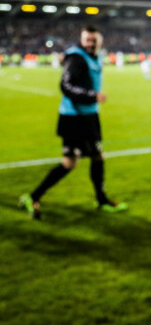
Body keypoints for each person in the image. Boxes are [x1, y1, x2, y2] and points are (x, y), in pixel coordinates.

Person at [19, 26, 127, 219]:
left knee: (97, 156)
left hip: (89, 116)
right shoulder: (76, 58)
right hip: (74, 118)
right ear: (82, 39)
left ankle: (101, 200)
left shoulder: (94, 56)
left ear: (100, 41)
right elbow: (65, 85)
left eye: (94, 40)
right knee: (70, 163)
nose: (90, 44)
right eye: (87, 40)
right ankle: (33, 196)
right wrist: (92, 95)